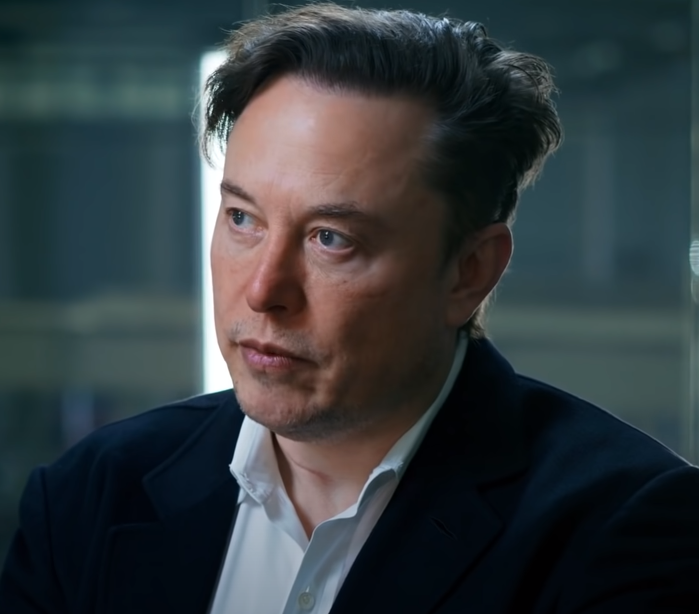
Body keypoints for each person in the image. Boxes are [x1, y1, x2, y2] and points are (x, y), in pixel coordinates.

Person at [1, 3, 698, 613]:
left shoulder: (622, 530)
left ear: (469, 271)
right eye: (242, 218)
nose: (263, 290)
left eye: (331, 238)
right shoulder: (92, 494)